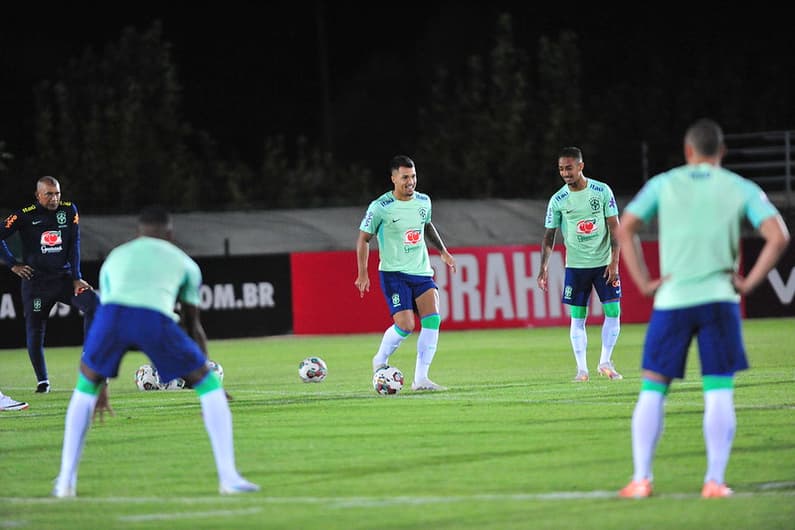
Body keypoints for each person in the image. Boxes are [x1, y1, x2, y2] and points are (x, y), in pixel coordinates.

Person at [616, 118, 790, 499]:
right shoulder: (740, 187)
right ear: (722, 152)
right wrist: (748, 282)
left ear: (688, 150)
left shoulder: (664, 183)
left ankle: (641, 479)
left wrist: (645, 283)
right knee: (718, 389)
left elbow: (625, 228)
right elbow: (778, 236)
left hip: (673, 299)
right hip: (720, 300)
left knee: (653, 388)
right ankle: (714, 481)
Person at [52, 206, 259, 497]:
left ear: (138, 233)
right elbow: (192, 324)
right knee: (210, 387)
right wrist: (205, 378)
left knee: (85, 385)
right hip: (153, 320)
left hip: (111, 318)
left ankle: (64, 482)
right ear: (170, 234)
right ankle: (229, 478)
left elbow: (105, 310)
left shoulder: (116, 256)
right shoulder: (185, 263)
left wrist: (102, 382)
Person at [355, 155, 457, 391]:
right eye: (404, 177)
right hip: (394, 274)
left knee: (433, 319)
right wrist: (363, 273)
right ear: (393, 179)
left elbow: (427, 225)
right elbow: (363, 239)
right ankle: (380, 360)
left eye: (413, 176)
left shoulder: (423, 201)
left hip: (421, 272)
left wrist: (442, 251)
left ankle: (421, 379)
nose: (410, 182)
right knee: (406, 325)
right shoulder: (380, 207)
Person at [0, 176, 99, 393]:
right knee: (35, 330)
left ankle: (89, 355)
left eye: (57, 193)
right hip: (36, 285)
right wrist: (12, 264)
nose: (54, 199)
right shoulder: (24, 215)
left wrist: (76, 277)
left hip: (64, 281)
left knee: (94, 303)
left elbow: (75, 244)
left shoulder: (69, 210)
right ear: (37, 195)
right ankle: (43, 381)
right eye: (49, 194)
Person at [537, 147, 623, 382]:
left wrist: (614, 261)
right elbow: (549, 235)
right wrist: (543, 266)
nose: (565, 173)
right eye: (561, 169)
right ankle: (582, 369)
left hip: (604, 262)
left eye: (569, 168)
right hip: (575, 266)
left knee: (613, 311)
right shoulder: (558, 200)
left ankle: (605, 361)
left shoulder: (602, 191)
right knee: (578, 316)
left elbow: (615, 227)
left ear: (580, 166)